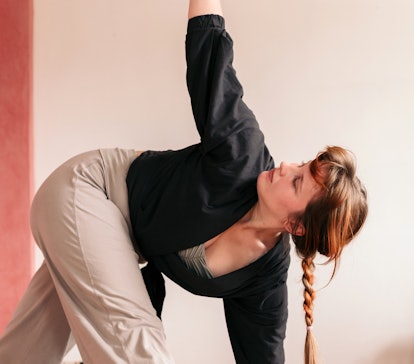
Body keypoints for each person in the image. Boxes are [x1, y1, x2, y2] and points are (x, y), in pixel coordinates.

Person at [0, 1, 368, 363]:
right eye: (301, 164)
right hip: (86, 193)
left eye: (297, 182)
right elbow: (210, 55)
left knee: (24, 354)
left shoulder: (265, 276)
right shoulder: (243, 154)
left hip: (106, 245)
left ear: (296, 226)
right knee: (140, 349)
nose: (286, 166)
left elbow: (264, 352)